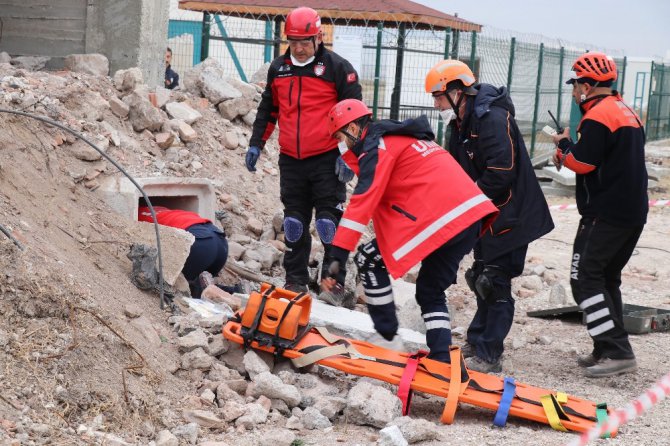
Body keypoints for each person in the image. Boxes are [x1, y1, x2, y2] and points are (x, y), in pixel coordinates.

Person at [320, 99, 499, 362]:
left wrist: (337, 258)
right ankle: (441, 358)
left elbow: (362, 203)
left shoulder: (378, 147)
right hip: (468, 217)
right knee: (429, 289)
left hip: (438, 217)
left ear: (355, 130)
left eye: (341, 137)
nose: (343, 144)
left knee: (368, 259)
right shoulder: (403, 138)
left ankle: (386, 336)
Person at [425, 60, 554, 373]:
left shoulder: (492, 118)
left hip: (512, 213)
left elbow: (500, 171)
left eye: (439, 96)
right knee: (479, 276)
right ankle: (477, 338)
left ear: (457, 92)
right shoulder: (460, 125)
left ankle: (489, 353)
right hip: (487, 214)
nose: (436, 103)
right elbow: (453, 171)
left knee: (494, 281)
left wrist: (468, 201)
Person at [244, 6, 362, 295]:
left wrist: (350, 155)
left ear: (318, 38)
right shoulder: (278, 69)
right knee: (294, 224)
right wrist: (256, 144)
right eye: (293, 42)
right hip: (291, 160)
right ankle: (295, 281)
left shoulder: (337, 68)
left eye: (304, 42)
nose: (298, 49)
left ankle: (332, 283)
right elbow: (268, 110)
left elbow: (357, 117)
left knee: (327, 226)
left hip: (326, 158)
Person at [551, 52, 647, 378]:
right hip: (631, 213)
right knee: (606, 280)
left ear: (588, 85)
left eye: (576, 84)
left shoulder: (597, 116)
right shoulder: (626, 111)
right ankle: (605, 348)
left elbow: (583, 163)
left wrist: (563, 149)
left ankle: (618, 350)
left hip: (605, 214)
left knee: (584, 279)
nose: (574, 90)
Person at [138, 205, 228, 298]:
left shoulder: (138, 215)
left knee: (183, 287)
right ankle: (234, 291)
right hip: (220, 240)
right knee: (204, 287)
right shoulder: (160, 209)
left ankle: (198, 288)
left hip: (200, 241)